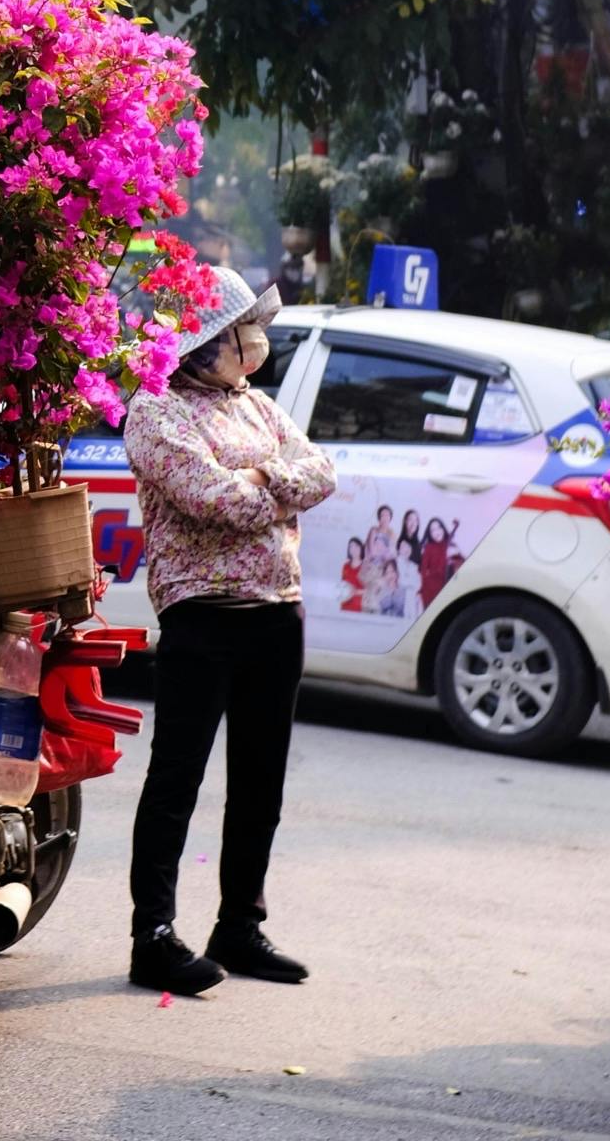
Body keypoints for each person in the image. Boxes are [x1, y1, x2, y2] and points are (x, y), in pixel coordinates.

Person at [124, 267, 337, 998]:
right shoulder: (155, 415)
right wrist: (275, 486)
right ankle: (150, 935)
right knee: (174, 782)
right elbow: (214, 500)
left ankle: (237, 926)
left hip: (276, 610)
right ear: (204, 344)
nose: (256, 341)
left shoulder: (256, 408)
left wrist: (263, 481)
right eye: (243, 329)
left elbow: (322, 471)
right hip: (202, 616)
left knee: (259, 784)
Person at [339, 536, 366, 612]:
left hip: (360, 607)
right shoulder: (345, 566)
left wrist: (356, 592)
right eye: (351, 547)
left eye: (356, 546)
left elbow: (372, 590)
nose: (353, 549)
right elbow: (342, 586)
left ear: (361, 549)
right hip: (345, 606)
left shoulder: (366, 567)